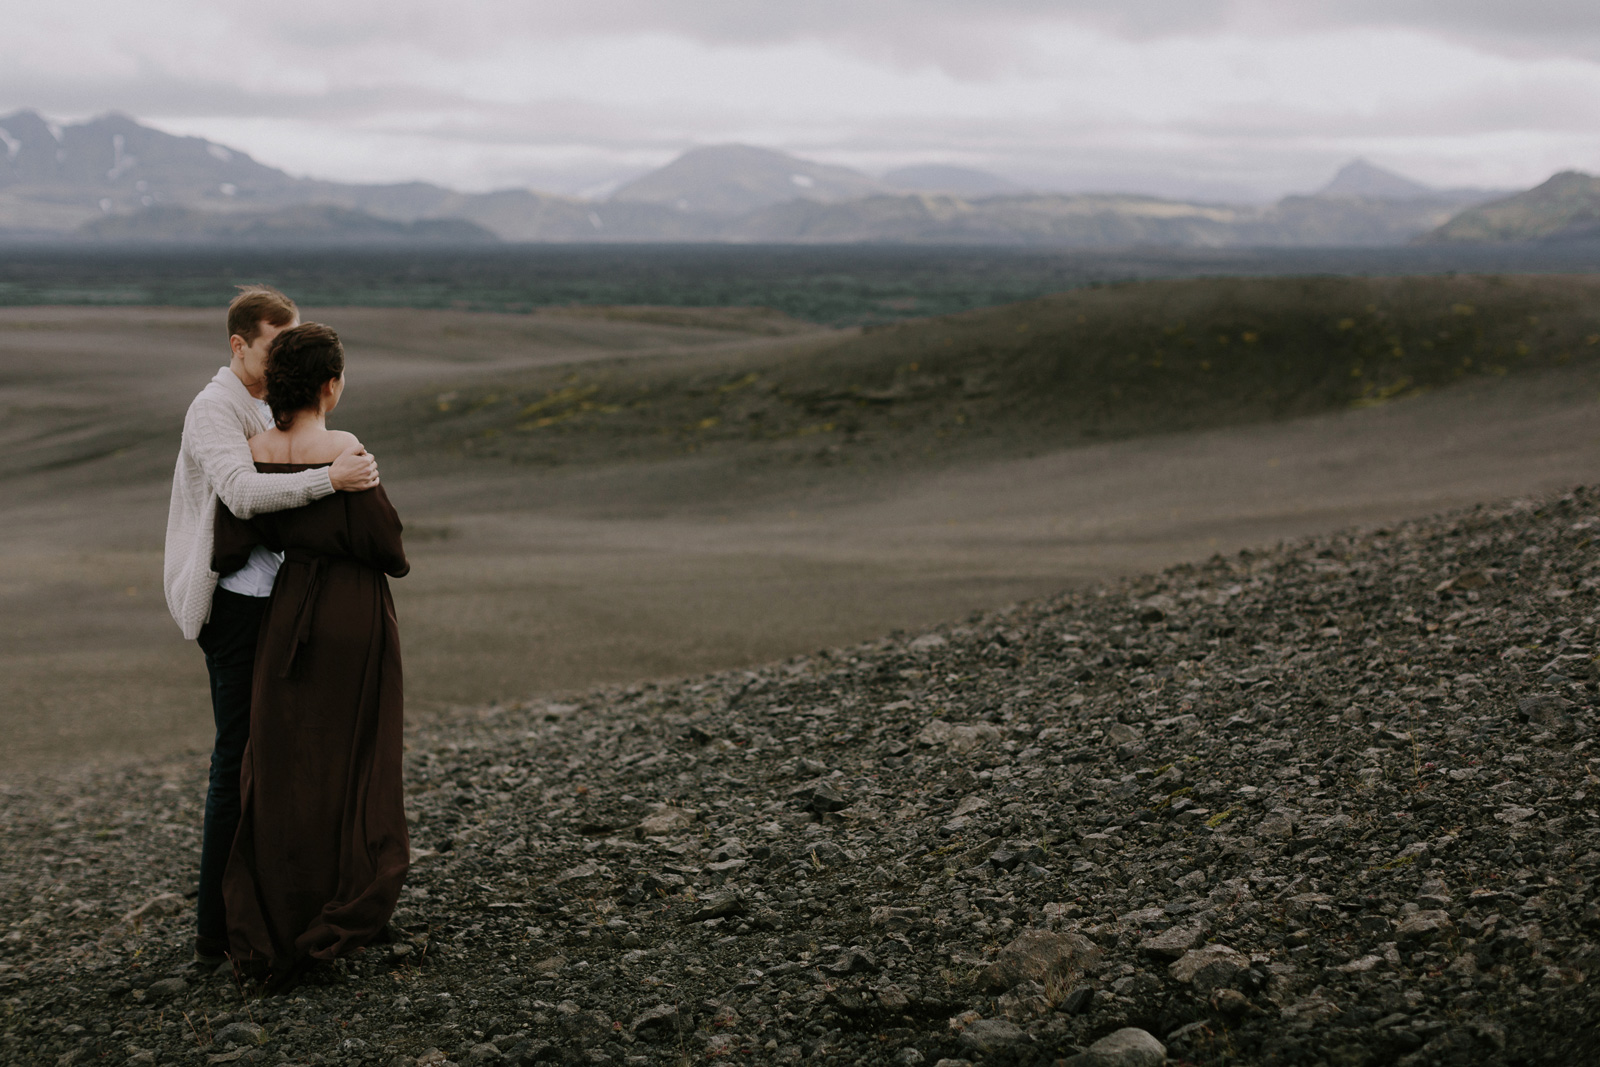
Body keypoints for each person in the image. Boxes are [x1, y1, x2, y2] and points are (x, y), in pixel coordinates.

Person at [164, 286, 380, 965]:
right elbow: (242, 493)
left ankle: (270, 912)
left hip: (270, 598)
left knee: (275, 756)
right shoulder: (213, 410)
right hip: (231, 604)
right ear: (238, 345)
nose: (282, 357)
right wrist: (331, 482)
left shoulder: (259, 405)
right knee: (237, 759)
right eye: (272, 346)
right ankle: (213, 936)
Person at [212, 322, 410, 986]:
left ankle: (283, 909)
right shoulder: (344, 448)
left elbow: (233, 540)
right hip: (352, 612)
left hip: (287, 606)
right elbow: (388, 546)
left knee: (287, 761)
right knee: (354, 755)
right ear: (331, 384)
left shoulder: (254, 448)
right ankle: (352, 900)